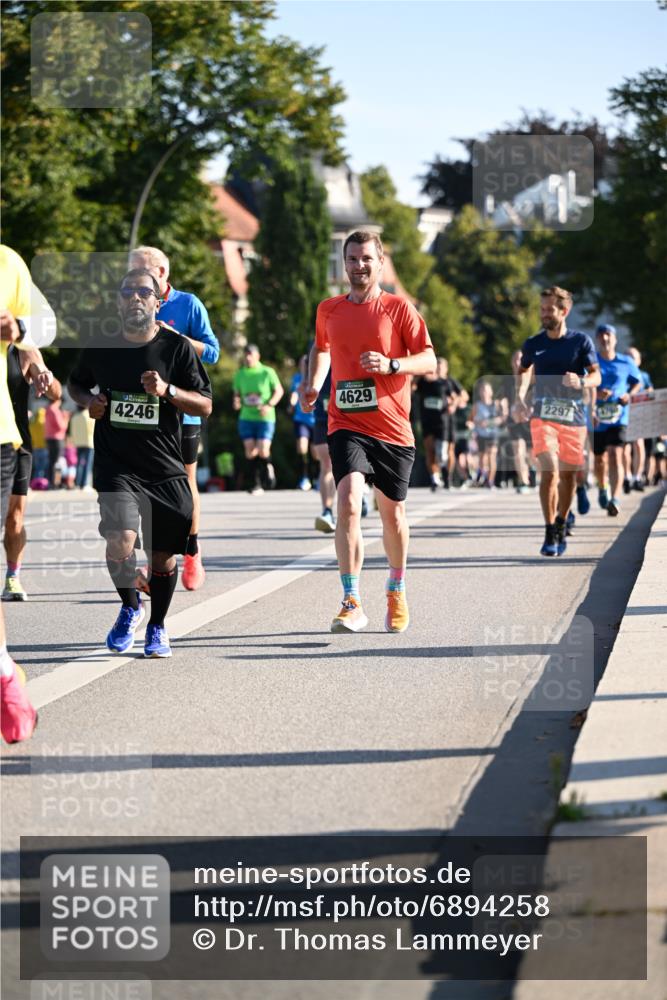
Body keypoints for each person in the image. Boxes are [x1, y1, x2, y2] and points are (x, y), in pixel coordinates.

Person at [68, 268, 212, 658]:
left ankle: (157, 626)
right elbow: (76, 383)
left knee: (162, 557)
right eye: (128, 292)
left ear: (157, 302)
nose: (135, 298)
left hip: (163, 466)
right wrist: (89, 401)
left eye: (144, 292)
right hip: (116, 463)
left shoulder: (176, 348)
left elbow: (205, 404)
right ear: (118, 302)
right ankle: (131, 606)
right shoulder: (101, 345)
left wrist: (168, 390)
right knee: (120, 540)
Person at [302, 230, 435, 633]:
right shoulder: (328, 309)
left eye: (365, 259)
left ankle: (396, 587)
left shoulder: (398, 308)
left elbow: (428, 360)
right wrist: (314, 383)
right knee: (347, 502)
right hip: (346, 421)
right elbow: (321, 348)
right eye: (351, 259)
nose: (358, 266)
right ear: (344, 263)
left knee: (392, 516)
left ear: (380, 263)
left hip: (392, 427)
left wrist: (393, 365)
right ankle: (351, 600)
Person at [129, 246, 220, 591]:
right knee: (143, 486)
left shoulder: (188, 304)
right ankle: (156, 558)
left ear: (162, 273)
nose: (133, 279)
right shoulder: (130, 303)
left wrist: (178, 340)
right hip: (143, 412)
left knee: (185, 481)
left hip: (181, 409)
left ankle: (192, 550)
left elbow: (213, 351)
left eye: (140, 270)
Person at [0, 243, 54, 742]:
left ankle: (13, 573)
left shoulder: (7, 265)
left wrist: (36, 365)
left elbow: (41, 331)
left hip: (9, 437)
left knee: (14, 520)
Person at [514, 286, 600, 557]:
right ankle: (550, 528)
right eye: (542, 309)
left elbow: (597, 376)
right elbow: (524, 370)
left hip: (574, 418)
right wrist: (520, 397)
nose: (544, 314)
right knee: (549, 472)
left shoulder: (581, 342)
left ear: (564, 311)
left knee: (568, 476)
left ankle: (562, 520)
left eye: (549, 309)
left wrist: (581, 381)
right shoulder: (533, 344)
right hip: (543, 416)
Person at [3, 344, 61, 602]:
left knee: (14, 518)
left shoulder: (23, 351)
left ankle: (13, 576)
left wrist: (45, 377)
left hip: (17, 444)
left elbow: (55, 393)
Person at [593, 324, 642, 517]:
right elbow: (583, 384)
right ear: (597, 339)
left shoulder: (626, 361)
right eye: (601, 335)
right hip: (597, 417)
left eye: (608, 335)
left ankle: (614, 498)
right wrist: (596, 393)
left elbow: (637, 382)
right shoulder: (591, 361)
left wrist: (629, 395)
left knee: (615, 454)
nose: (605, 339)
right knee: (599, 460)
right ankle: (602, 486)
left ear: (615, 339)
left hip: (619, 416)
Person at [232, 343, 284, 495]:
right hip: (246, 417)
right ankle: (256, 484)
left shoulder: (267, 372)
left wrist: (269, 405)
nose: (248, 358)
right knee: (250, 451)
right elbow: (236, 394)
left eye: (251, 355)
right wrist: (236, 401)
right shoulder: (240, 374)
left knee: (262, 449)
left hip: (265, 418)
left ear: (257, 356)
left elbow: (279, 391)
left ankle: (268, 466)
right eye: (246, 355)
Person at [415, 357, 462, 491]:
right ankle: (435, 478)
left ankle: (447, 476)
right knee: (430, 451)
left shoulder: (446, 382)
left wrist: (453, 405)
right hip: (427, 420)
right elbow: (412, 388)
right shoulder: (422, 382)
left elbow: (458, 396)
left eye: (441, 367)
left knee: (444, 453)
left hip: (443, 421)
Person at [500, 350, 533, 494]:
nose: (517, 362)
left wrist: (530, 409)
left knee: (532, 454)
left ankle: (535, 473)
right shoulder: (507, 381)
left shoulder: (531, 380)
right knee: (518, 450)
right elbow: (502, 399)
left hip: (529, 420)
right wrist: (504, 408)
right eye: (515, 359)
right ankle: (523, 481)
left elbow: (536, 397)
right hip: (513, 420)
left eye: (520, 359)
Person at [311, 368, 336, 533]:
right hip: (323, 417)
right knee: (327, 464)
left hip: (350, 416)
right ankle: (327, 511)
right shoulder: (313, 355)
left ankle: (359, 494)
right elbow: (306, 381)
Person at [626, 346, 653, 492]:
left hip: (639, 412)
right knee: (624, 446)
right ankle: (627, 476)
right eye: (628, 356)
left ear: (639, 360)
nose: (630, 359)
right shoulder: (622, 372)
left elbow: (651, 392)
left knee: (638, 444)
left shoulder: (644, 375)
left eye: (633, 357)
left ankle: (637, 477)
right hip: (623, 413)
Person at [288, 355, 316, 490]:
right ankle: (304, 477)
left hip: (316, 420)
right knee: (302, 448)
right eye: (301, 364)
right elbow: (294, 393)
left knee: (316, 453)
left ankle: (317, 476)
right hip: (301, 419)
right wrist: (292, 403)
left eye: (305, 364)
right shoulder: (297, 378)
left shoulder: (317, 377)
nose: (303, 366)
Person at [472, 380, 503, 488]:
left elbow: (501, 418)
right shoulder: (477, 405)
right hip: (481, 434)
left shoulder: (496, 404)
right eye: (482, 390)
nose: (484, 393)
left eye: (486, 390)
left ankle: (490, 480)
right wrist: (479, 423)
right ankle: (484, 476)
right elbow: (472, 419)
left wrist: (491, 422)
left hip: (493, 433)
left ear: (491, 392)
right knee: (482, 458)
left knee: (492, 456)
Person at [45, 396, 69, 487]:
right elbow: (61, 427)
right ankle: (55, 482)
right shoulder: (55, 410)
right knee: (57, 462)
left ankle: (51, 482)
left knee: (52, 461)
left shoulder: (47, 409)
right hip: (57, 439)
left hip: (49, 437)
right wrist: (66, 418)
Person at [70, 404, 95, 488]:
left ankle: (77, 483)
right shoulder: (89, 416)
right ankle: (85, 483)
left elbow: (72, 431)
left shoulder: (74, 417)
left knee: (79, 463)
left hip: (78, 442)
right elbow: (92, 430)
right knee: (87, 464)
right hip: (89, 442)